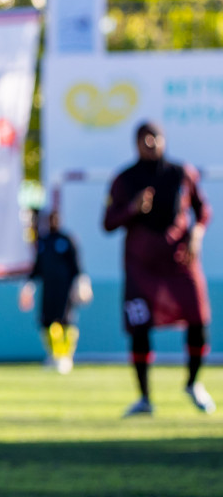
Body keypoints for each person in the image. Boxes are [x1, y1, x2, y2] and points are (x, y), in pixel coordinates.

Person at [102, 121, 212, 416]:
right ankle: (144, 398)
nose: (150, 143)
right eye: (143, 138)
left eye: (155, 137)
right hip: (141, 266)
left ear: (163, 140)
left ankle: (193, 382)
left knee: (198, 319)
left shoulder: (181, 173)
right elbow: (108, 222)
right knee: (139, 327)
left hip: (179, 262)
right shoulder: (125, 179)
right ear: (135, 143)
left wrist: (197, 233)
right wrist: (132, 209)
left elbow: (203, 211)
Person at [19, 210, 85, 374]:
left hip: (65, 291)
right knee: (47, 323)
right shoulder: (43, 242)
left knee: (66, 322)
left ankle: (65, 356)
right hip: (48, 290)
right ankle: (55, 355)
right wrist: (28, 286)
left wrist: (81, 283)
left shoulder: (67, 239)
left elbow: (76, 265)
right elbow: (37, 268)